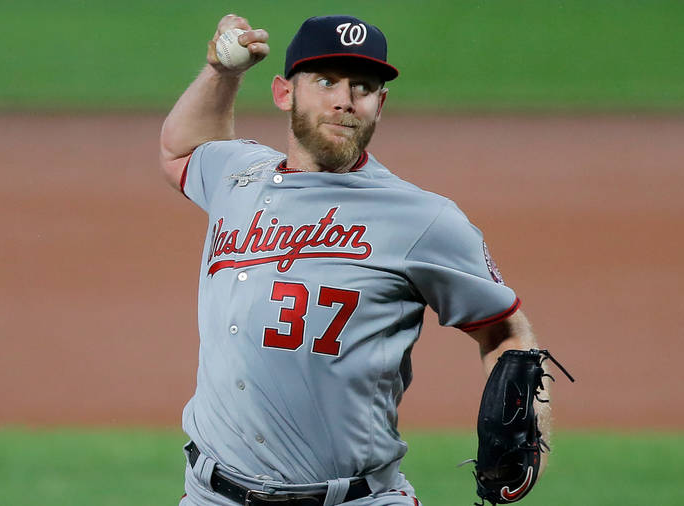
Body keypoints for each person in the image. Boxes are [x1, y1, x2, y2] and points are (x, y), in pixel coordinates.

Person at [159, 13, 551, 506]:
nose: (344, 99)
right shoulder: (238, 175)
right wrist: (221, 73)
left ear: (379, 105)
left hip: (355, 498)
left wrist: (526, 423)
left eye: (362, 86)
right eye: (325, 82)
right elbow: (182, 149)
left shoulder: (423, 219)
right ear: (284, 94)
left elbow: (504, 328)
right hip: (212, 494)